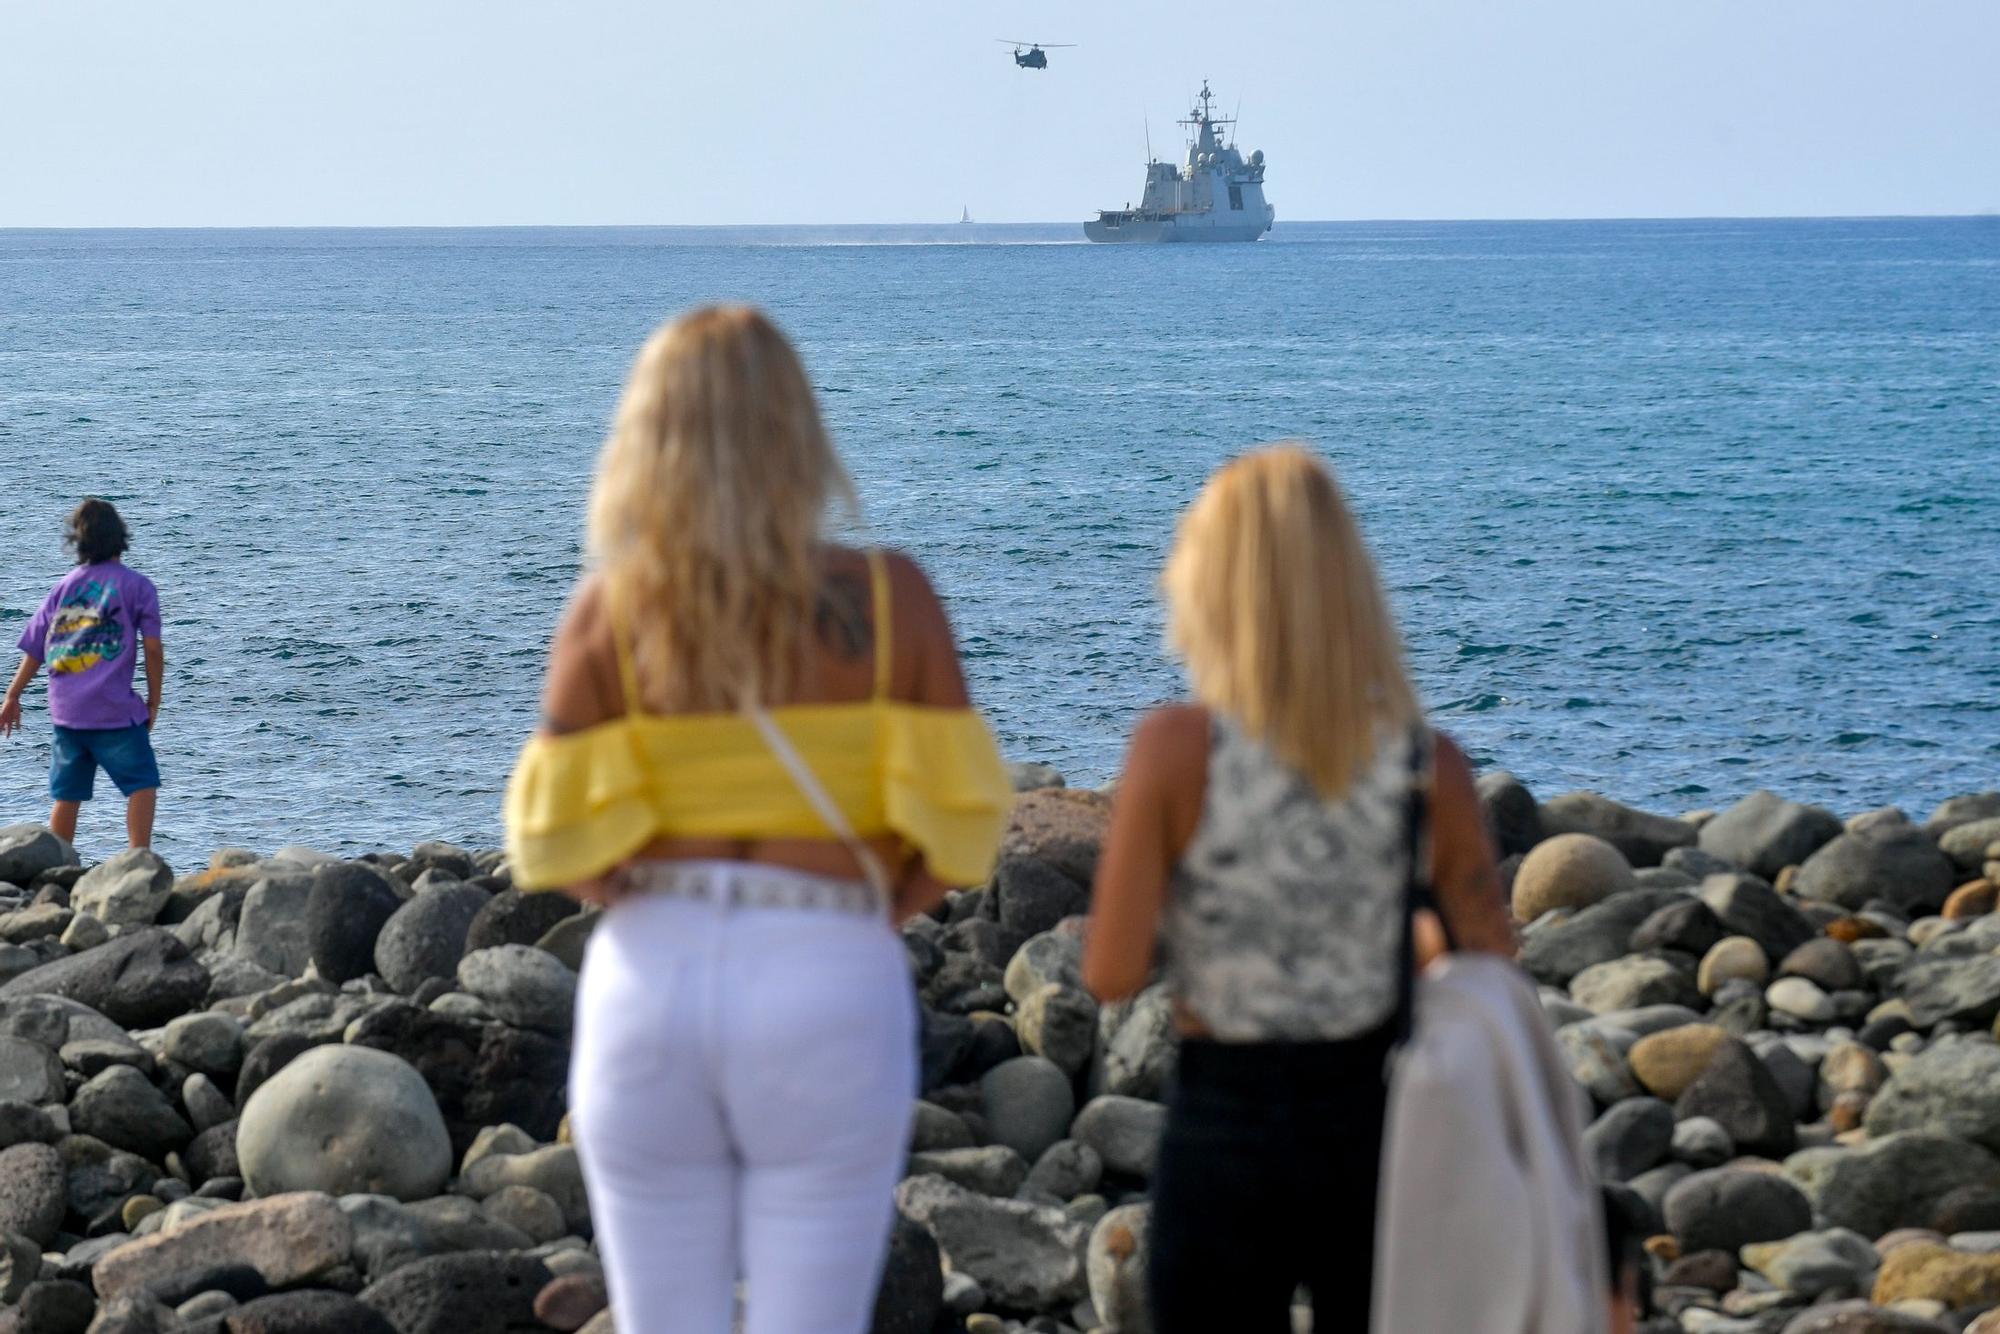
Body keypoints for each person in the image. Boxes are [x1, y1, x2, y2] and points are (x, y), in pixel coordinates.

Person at [503, 306, 1012, 1334]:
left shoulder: (610, 611)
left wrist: (653, 892)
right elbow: (963, 821)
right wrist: (870, 905)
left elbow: (553, 839)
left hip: (653, 976)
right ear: (797, 431)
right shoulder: (889, 599)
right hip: (825, 965)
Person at [1082, 445, 1518, 1332]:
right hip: (1379, 1130)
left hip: (1223, 1125)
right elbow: (1494, 963)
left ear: (1209, 585)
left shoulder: (1175, 753)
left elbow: (1112, 970)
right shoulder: (1425, 766)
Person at [1, 499, 164, 849]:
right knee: (142, 783)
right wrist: (153, 701)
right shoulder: (137, 586)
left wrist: (12, 695)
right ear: (120, 536)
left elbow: (36, 647)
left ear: (78, 542)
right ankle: (139, 856)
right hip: (114, 710)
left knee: (67, 794)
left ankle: (55, 865)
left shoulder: (63, 587)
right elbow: (152, 649)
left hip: (68, 712)